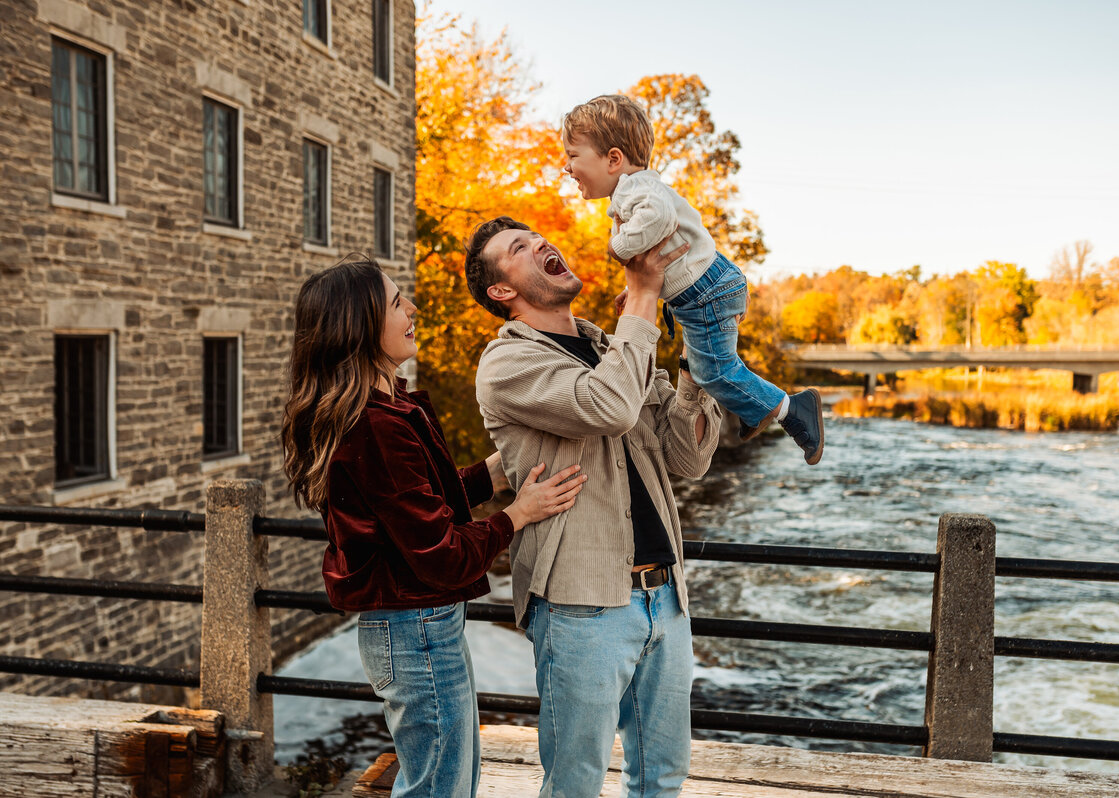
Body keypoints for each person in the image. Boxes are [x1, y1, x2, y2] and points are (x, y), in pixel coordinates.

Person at [279, 255, 587, 798]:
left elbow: (419, 508)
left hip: (419, 626)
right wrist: (519, 514)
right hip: (414, 630)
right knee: (439, 786)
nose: (413, 309)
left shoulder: (385, 410)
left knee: (449, 780)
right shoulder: (374, 426)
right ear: (359, 328)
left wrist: (498, 469)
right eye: (398, 303)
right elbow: (440, 551)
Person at [464, 217, 723, 798]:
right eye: (520, 248)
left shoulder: (613, 346)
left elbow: (688, 458)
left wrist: (695, 358)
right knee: (577, 784)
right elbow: (608, 408)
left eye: (537, 238)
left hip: (667, 597)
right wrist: (642, 300)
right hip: (582, 606)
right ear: (501, 291)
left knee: (663, 778)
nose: (540, 245)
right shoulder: (505, 364)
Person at [562, 94, 825, 464]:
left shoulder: (637, 190)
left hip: (706, 294)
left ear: (613, 159)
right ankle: (754, 409)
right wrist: (635, 289)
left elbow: (658, 220)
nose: (567, 167)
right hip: (708, 287)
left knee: (713, 371)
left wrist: (618, 247)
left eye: (573, 156)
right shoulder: (635, 190)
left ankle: (793, 409)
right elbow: (661, 248)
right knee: (711, 369)